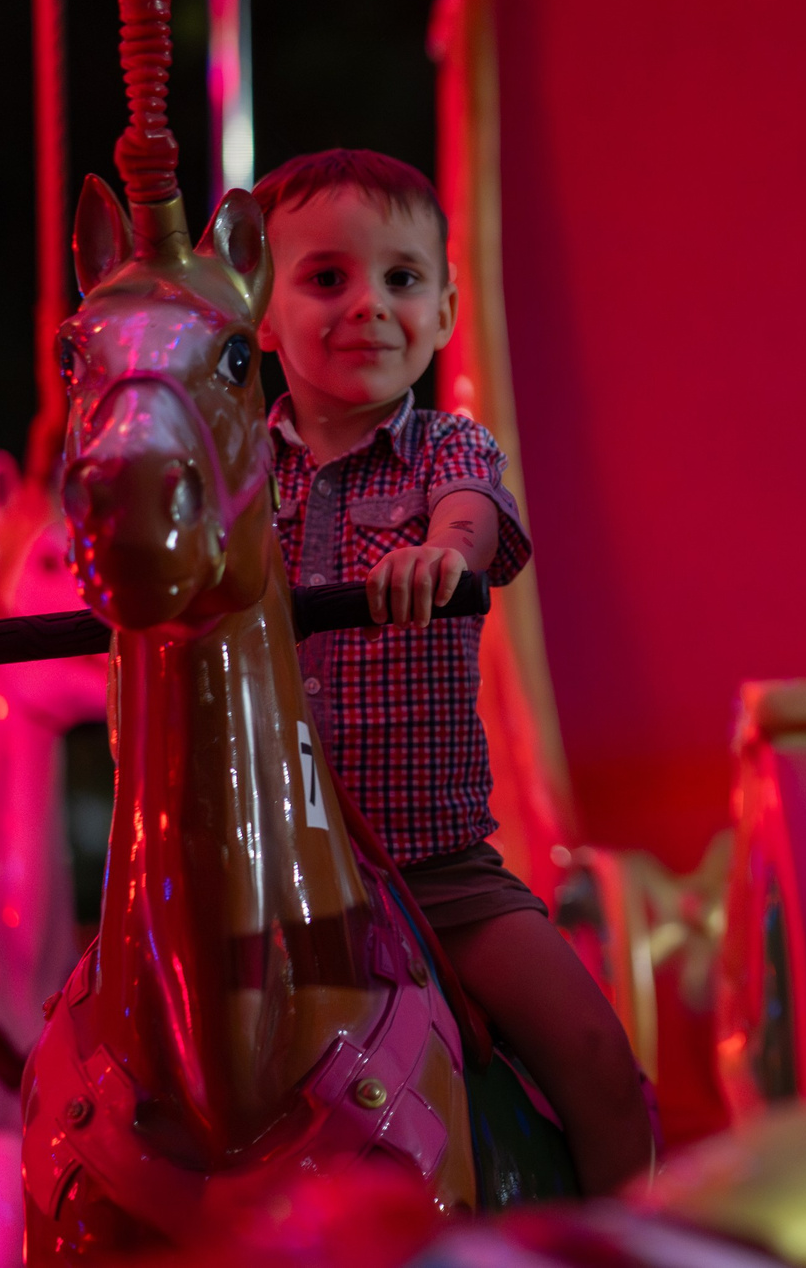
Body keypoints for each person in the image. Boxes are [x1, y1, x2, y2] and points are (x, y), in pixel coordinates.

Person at [251, 149, 655, 1194]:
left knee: (598, 1063)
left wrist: (443, 554)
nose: (369, 308)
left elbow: (475, 516)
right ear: (259, 311)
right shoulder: (236, 478)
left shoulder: (445, 452)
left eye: (401, 280)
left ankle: (625, 1235)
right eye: (326, 277)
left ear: (442, 314)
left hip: (437, 878)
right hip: (268, 881)